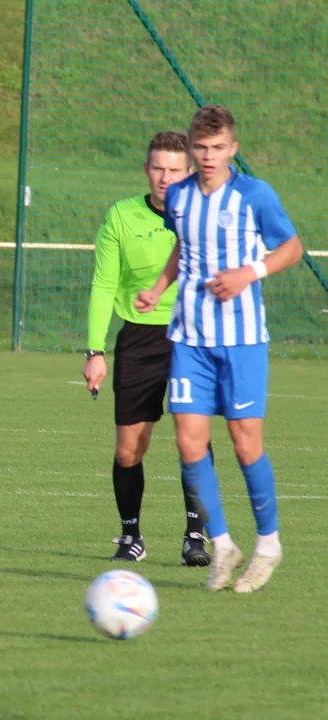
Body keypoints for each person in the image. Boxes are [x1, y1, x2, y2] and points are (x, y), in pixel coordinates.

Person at [135, 105, 304, 593]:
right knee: (189, 441)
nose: (209, 157)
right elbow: (182, 248)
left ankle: (268, 544)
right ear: (191, 149)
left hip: (242, 340)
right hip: (189, 337)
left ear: (233, 148)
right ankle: (224, 543)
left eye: (218, 148)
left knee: (245, 443)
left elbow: (291, 248)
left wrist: (248, 273)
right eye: (201, 148)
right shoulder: (180, 196)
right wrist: (158, 285)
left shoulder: (255, 195)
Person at [82, 130, 211, 566]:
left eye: (174, 170)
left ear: (189, 172)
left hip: (191, 335)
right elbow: (103, 284)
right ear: (146, 169)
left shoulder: (203, 215)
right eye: (157, 167)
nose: (164, 177)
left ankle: (196, 535)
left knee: (191, 440)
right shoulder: (121, 216)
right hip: (138, 338)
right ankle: (131, 536)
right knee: (128, 449)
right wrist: (93, 350)